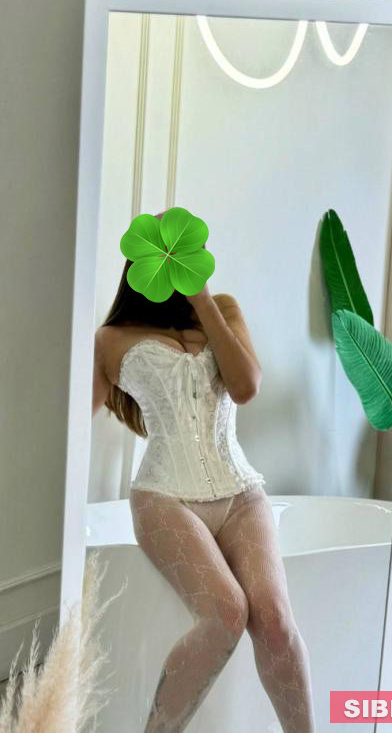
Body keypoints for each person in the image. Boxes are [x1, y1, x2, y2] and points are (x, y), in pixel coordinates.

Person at [92, 211, 316, 733]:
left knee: (275, 620)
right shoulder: (111, 337)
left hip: (240, 493)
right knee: (226, 613)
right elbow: (74, 421)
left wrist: (204, 301)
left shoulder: (223, 309)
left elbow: (246, 387)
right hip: (163, 497)